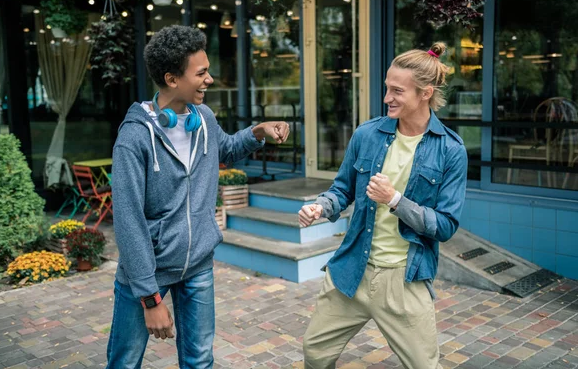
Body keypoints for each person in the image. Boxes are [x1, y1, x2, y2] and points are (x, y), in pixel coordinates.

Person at [107, 25, 290, 368]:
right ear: (172, 79)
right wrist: (150, 298)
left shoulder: (202, 117)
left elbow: (227, 147)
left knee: (200, 360)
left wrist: (257, 132)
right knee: (124, 362)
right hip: (149, 273)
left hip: (198, 266)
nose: (210, 79)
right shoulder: (134, 139)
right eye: (201, 73)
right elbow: (128, 221)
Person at [299, 42, 467, 369]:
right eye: (387, 88)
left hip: (404, 278)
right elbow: (342, 190)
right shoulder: (368, 134)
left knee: (424, 365)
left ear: (425, 93)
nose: (387, 97)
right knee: (315, 353)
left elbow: (445, 225)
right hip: (352, 270)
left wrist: (395, 200)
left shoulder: (450, 150)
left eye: (396, 90)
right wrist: (321, 207)